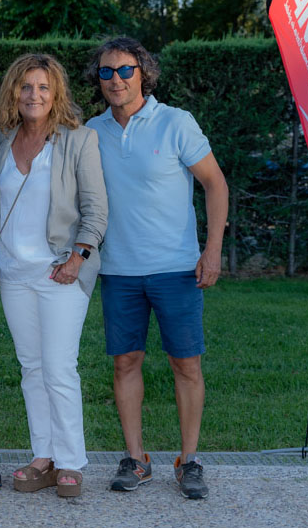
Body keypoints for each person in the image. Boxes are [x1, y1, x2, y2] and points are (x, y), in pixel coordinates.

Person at [85, 37, 229, 499]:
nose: (116, 79)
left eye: (125, 70)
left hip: (176, 269)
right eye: (106, 72)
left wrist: (212, 250)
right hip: (119, 271)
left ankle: (190, 461)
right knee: (125, 362)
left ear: (143, 73)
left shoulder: (175, 122)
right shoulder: (91, 132)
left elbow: (215, 184)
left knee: (186, 364)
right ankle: (136, 458)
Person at [0, 54, 107, 498]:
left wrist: (77, 258)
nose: (33, 95)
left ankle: (71, 461)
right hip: (14, 275)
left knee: (59, 368)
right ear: (13, 93)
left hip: (60, 272)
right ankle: (43, 456)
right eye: (25, 87)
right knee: (31, 368)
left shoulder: (79, 139)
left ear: (56, 93)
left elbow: (96, 209)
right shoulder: (4, 139)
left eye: (43, 87)